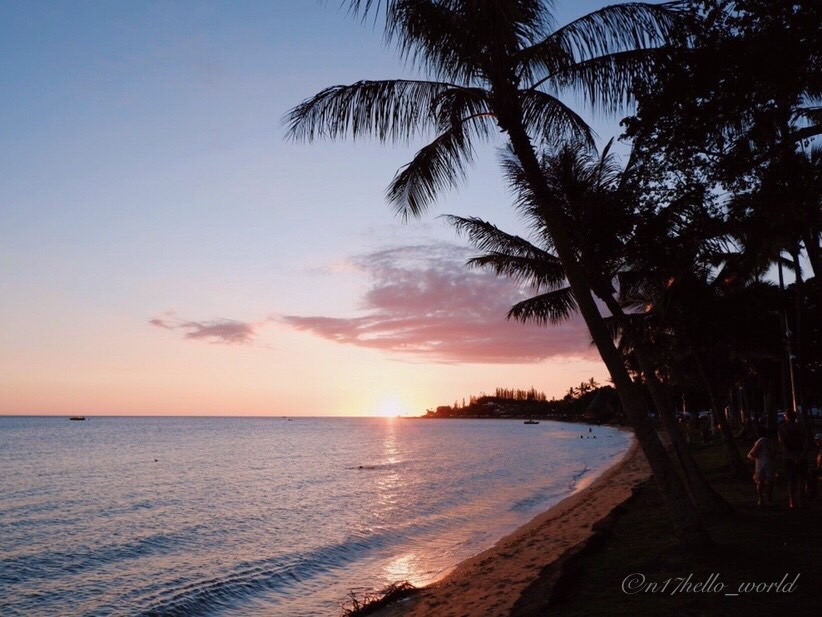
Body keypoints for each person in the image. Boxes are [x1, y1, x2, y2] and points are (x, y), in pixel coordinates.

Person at [778, 409, 808, 509]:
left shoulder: (782, 427)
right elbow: (805, 443)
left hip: (789, 457)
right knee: (801, 479)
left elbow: (782, 444)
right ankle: (800, 501)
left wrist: (792, 457)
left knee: (791, 480)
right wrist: (801, 455)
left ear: (786, 416)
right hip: (801, 456)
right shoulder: (801, 427)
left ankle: (792, 501)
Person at [747, 427, 775, 507]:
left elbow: (752, 453)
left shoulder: (760, 441)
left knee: (761, 481)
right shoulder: (769, 441)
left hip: (761, 464)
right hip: (769, 462)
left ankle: (761, 499)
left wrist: (752, 458)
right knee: (769, 482)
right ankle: (768, 500)